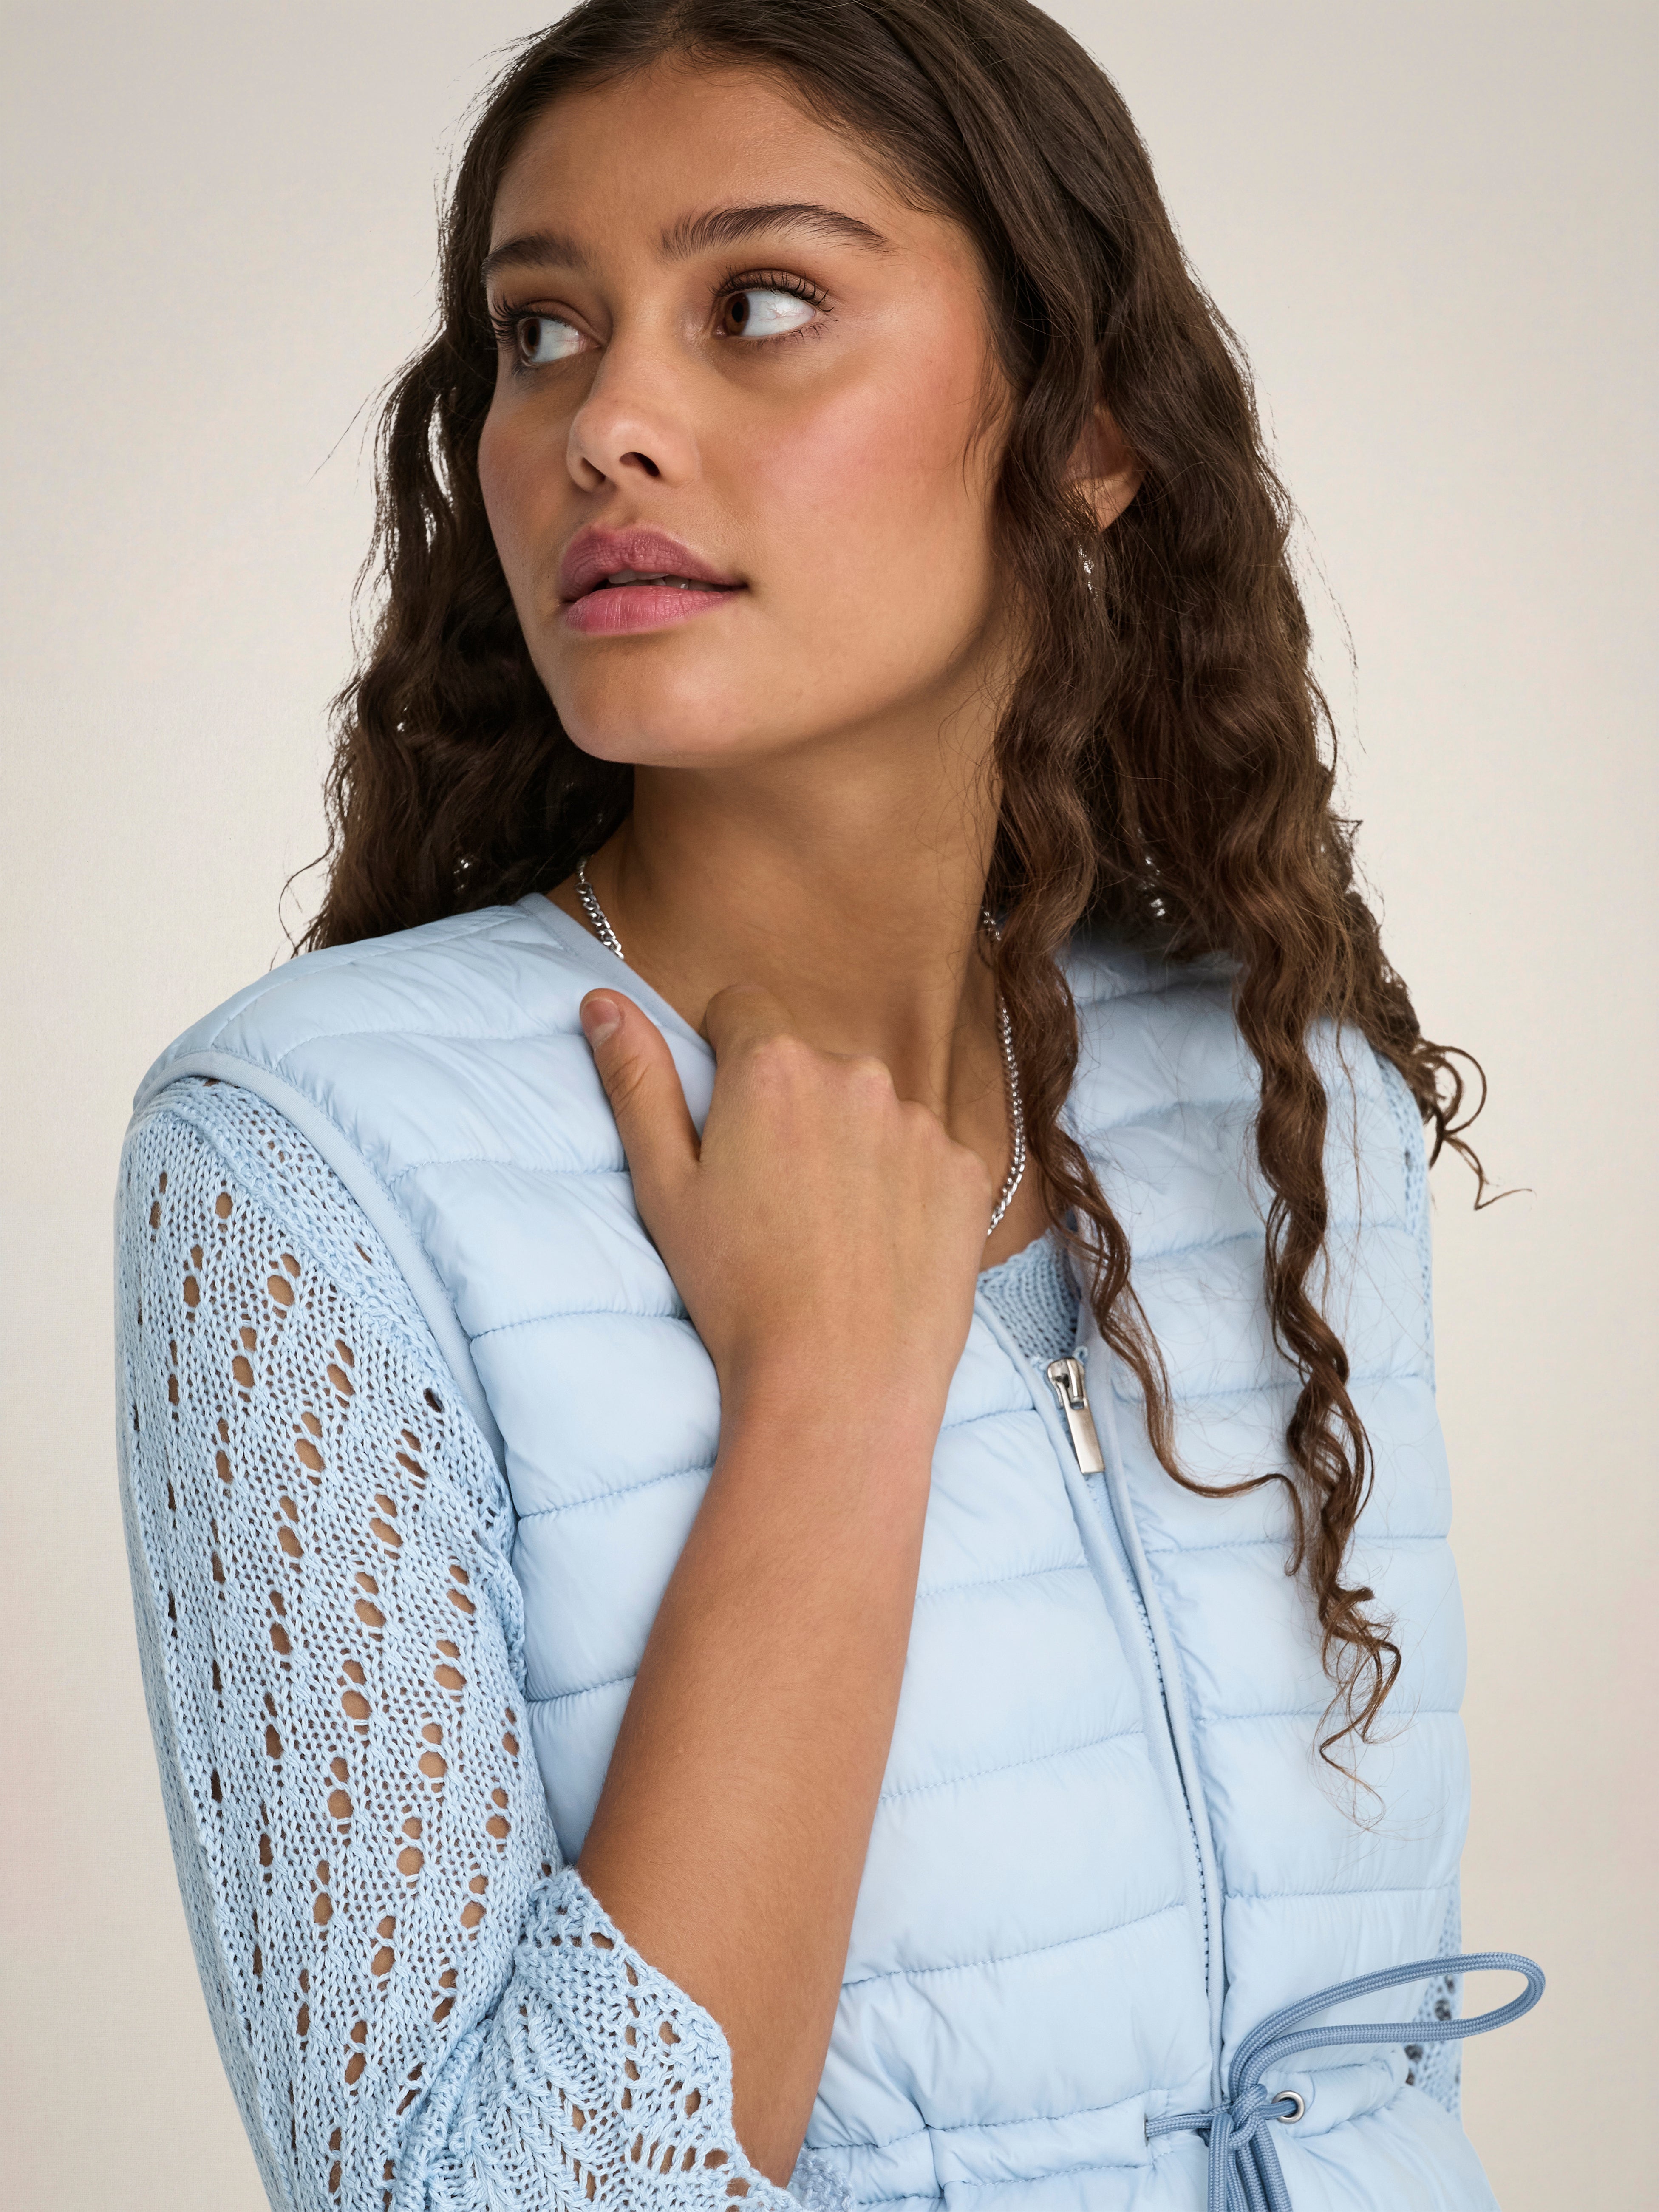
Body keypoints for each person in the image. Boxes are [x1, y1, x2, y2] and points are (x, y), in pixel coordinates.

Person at [114, 4, 1542, 2207]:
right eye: (541, 332)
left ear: (1085, 426)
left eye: (759, 302)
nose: (606, 423)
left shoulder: (1279, 1089)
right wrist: (827, 1410)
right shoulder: (312, 1164)